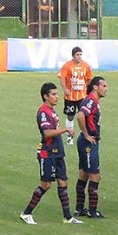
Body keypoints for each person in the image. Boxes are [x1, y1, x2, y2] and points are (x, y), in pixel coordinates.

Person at [19, 83, 83, 225]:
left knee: (63, 182)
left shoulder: (52, 111)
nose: (57, 97)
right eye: (53, 94)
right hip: (47, 153)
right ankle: (26, 213)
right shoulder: (43, 112)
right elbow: (47, 133)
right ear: (45, 96)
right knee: (46, 184)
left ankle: (68, 217)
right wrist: (65, 130)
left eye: (56, 94)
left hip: (58, 152)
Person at [74, 76, 108, 219]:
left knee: (83, 174)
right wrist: (86, 134)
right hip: (88, 142)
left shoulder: (94, 101)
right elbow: (80, 116)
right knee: (95, 175)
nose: (106, 89)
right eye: (104, 86)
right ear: (95, 87)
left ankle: (79, 209)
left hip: (87, 142)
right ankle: (92, 210)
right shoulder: (90, 101)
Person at [58, 46, 93, 146]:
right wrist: (65, 89)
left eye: (80, 54)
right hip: (70, 97)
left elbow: (89, 78)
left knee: (84, 115)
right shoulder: (67, 66)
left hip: (82, 96)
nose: (79, 56)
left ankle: (86, 135)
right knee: (70, 116)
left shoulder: (86, 66)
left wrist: (87, 88)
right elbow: (62, 78)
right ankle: (69, 137)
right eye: (77, 55)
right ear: (73, 56)